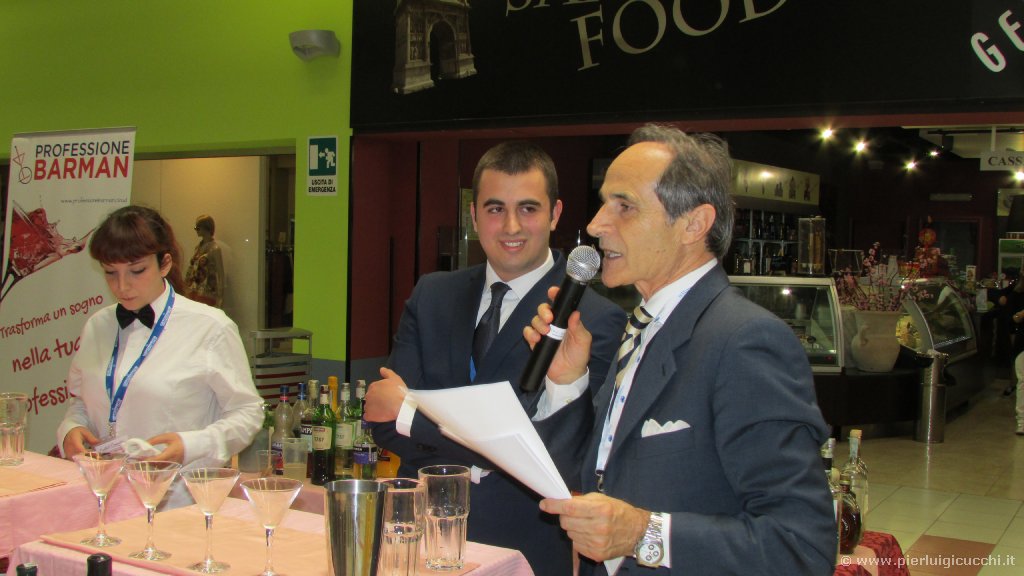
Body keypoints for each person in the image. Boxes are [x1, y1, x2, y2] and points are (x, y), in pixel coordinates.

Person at [527, 125, 836, 574]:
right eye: (604, 203)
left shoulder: (744, 341)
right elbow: (599, 478)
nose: (595, 225)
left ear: (694, 224)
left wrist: (643, 535)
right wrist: (567, 383)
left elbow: (801, 546)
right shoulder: (641, 327)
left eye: (624, 206)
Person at [364, 141, 625, 576]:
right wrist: (494, 449)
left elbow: (562, 456)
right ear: (473, 215)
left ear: (555, 214)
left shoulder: (592, 319)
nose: (510, 226)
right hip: (419, 542)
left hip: (523, 548)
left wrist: (411, 414)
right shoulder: (433, 295)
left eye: (528, 208)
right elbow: (380, 419)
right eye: (495, 208)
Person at [57, 205, 263, 506]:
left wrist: (190, 445)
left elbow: (248, 413)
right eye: (111, 273)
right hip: (102, 497)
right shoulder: (97, 326)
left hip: (178, 502)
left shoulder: (210, 328)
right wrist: (71, 429)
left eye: (137, 271)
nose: (122, 286)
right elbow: (81, 402)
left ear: (164, 263)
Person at [184, 214, 225, 308]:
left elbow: (220, 275)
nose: (196, 230)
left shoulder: (215, 249)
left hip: (207, 294)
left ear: (206, 228)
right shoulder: (198, 248)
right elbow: (191, 270)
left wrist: (220, 297)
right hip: (193, 292)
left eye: (198, 228)